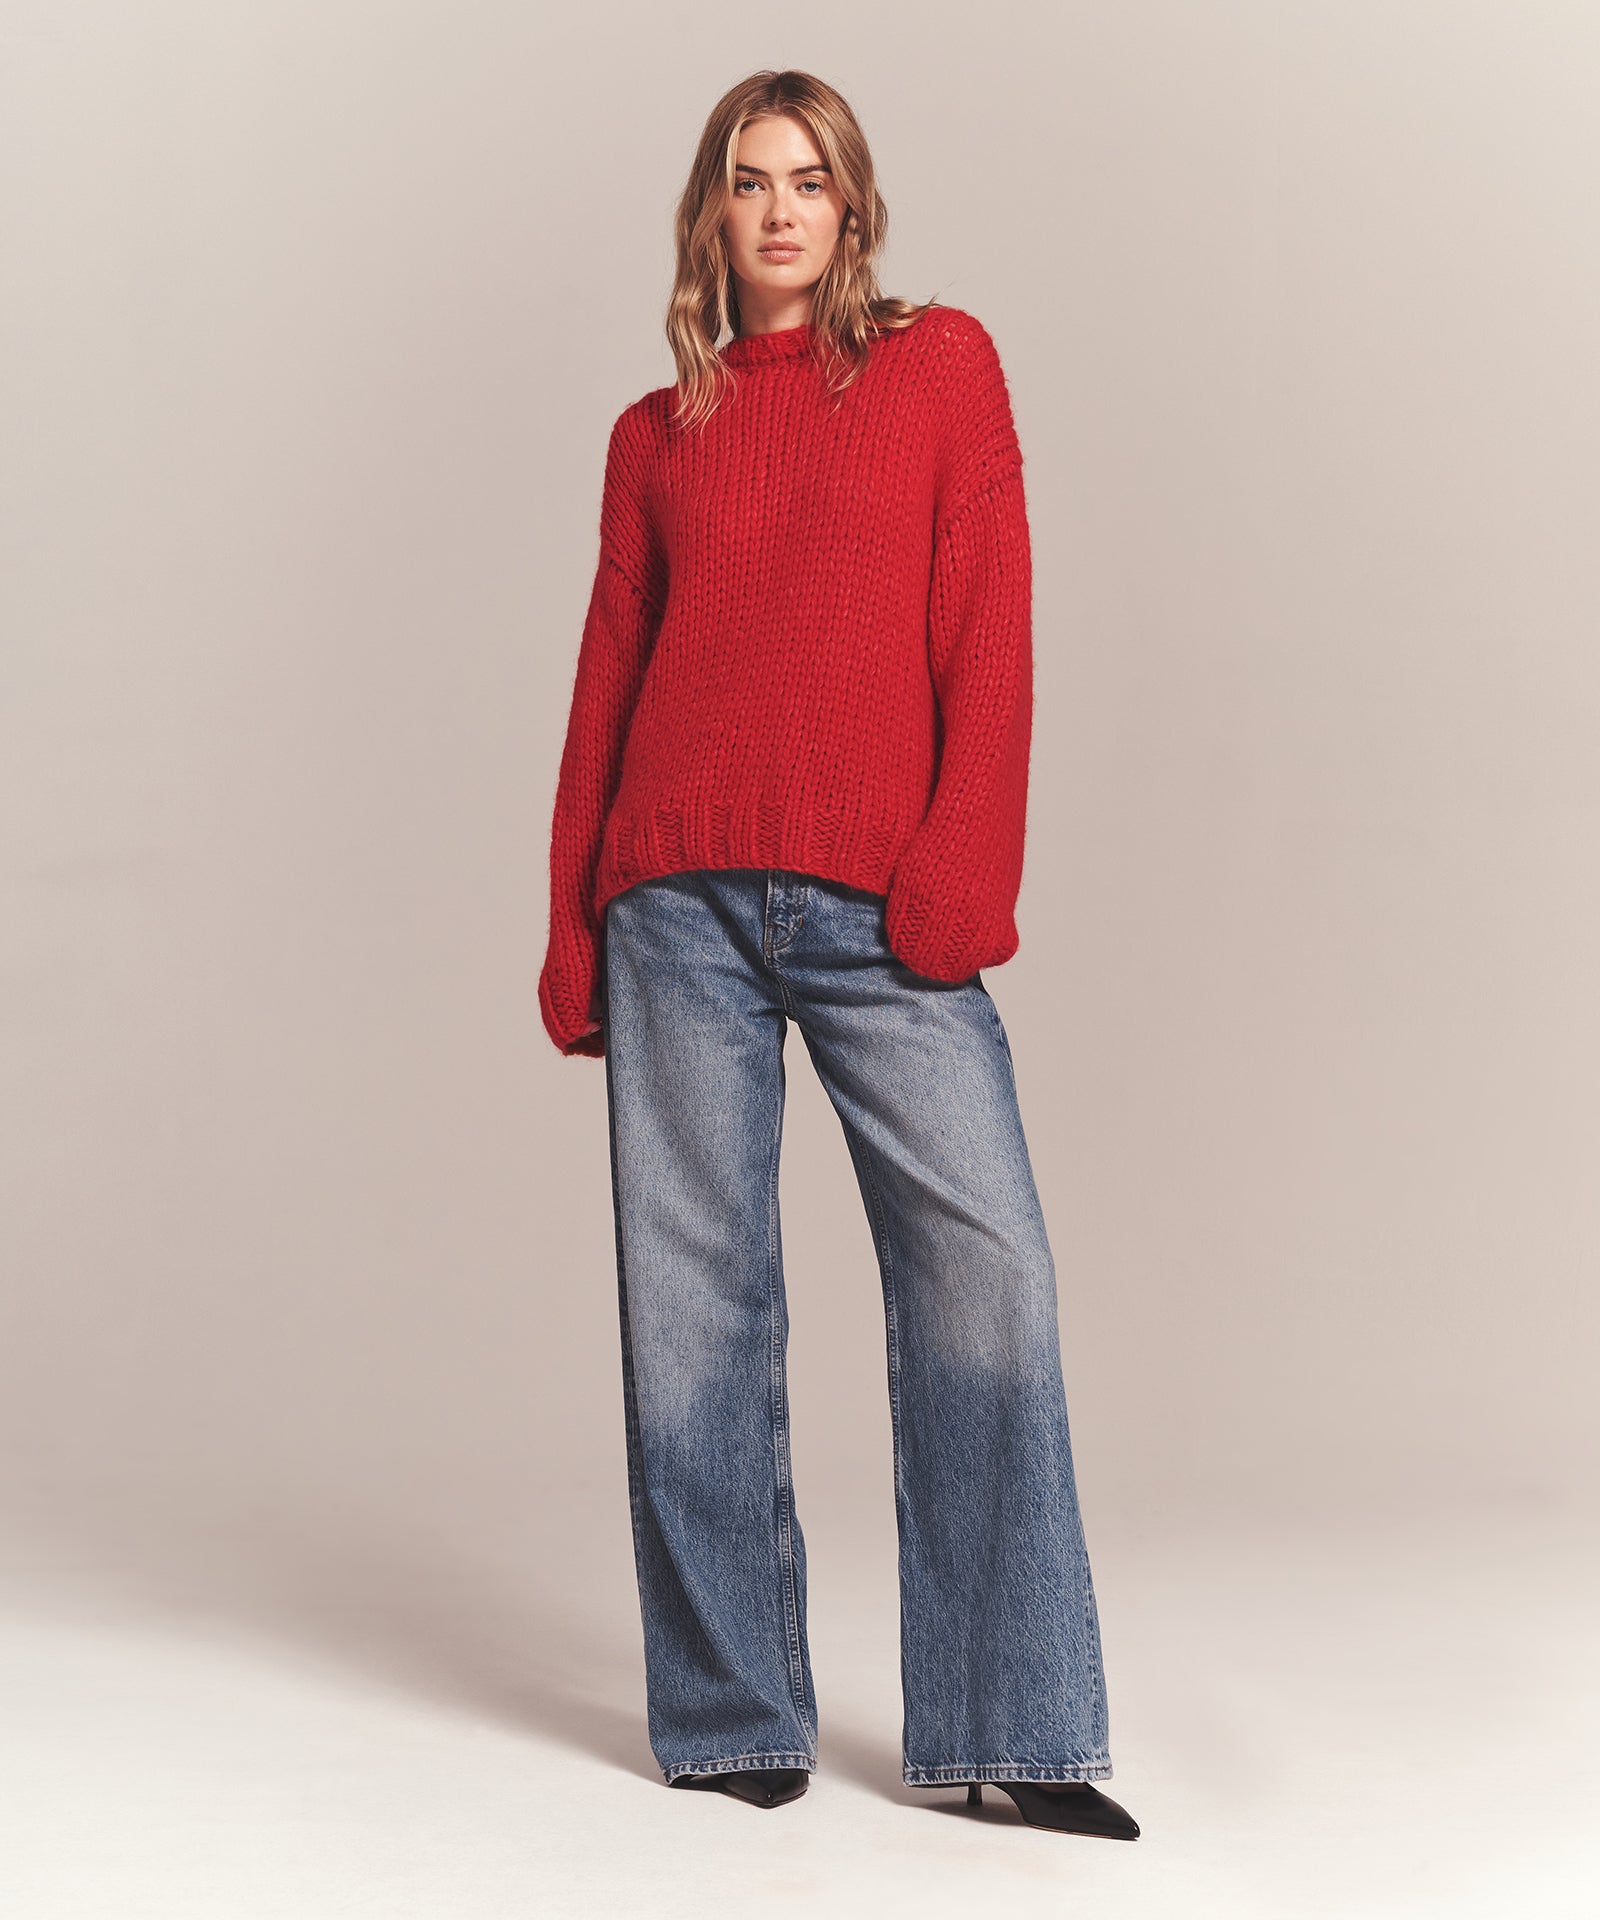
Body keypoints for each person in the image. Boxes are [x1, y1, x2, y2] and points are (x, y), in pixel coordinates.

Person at [537, 69, 1140, 1843]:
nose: (781, 209)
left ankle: (1015, 1720)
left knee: (986, 1273)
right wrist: (572, 916)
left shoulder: (940, 369)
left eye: (810, 179)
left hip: (883, 902)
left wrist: (961, 869)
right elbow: (608, 682)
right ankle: (733, 1715)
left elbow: (989, 623)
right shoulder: (656, 437)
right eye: (750, 181)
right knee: (694, 1307)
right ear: (712, 218)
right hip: (676, 902)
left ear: (854, 206)